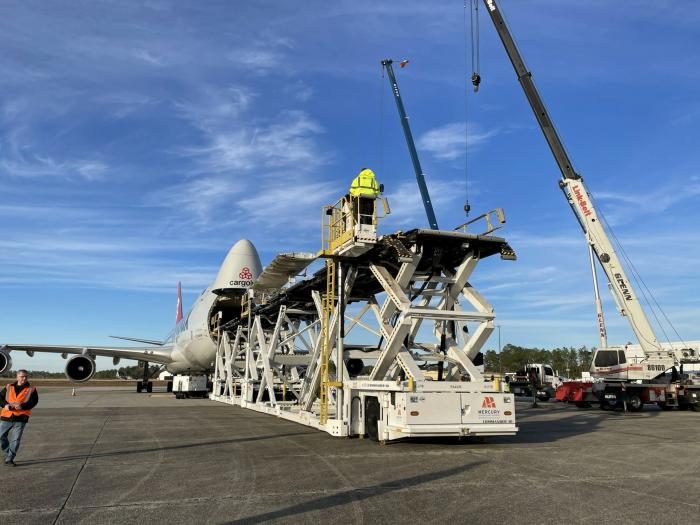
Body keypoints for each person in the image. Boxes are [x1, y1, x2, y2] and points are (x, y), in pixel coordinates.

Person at [1, 370, 39, 466]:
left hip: (21, 417)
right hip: (7, 416)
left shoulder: (32, 389)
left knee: (16, 439)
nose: (24, 378)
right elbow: (0, 398)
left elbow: (33, 402)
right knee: (1, 436)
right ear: (17, 377)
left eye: (26, 377)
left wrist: (22, 406)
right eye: (22, 376)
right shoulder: (9, 387)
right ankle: (8, 451)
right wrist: (5, 405)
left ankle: (9, 459)